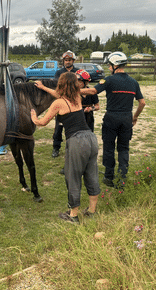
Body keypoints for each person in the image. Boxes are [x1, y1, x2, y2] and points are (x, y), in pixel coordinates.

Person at [32, 73, 100, 223]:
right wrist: (44, 87)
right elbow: (58, 94)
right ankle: (92, 211)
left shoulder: (58, 103)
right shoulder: (77, 95)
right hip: (91, 138)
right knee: (91, 173)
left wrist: (34, 118)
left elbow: (43, 122)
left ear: (61, 84)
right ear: (75, 85)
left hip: (77, 141)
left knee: (73, 176)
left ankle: (73, 215)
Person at [80, 51, 145, 187]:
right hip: (127, 118)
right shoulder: (134, 82)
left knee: (109, 148)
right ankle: (122, 179)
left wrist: (75, 90)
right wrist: (135, 117)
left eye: (109, 65)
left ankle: (109, 177)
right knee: (123, 149)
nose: (109, 68)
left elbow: (92, 91)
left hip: (111, 118)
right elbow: (142, 103)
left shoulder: (108, 80)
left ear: (115, 65)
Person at [51, 50, 79, 158]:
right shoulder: (59, 73)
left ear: (73, 61)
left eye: (69, 60)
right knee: (58, 127)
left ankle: (73, 149)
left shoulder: (78, 72)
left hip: (74, 102)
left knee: (73, 128)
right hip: (63, 102)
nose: (67, 62)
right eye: (66, 60)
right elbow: (57, 87)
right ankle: (56, 147)